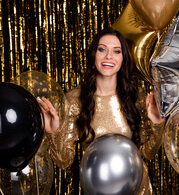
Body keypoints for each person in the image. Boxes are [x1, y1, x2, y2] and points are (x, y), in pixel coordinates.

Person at [37, 27, 165, 195]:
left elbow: (147, 153)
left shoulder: (137, 97)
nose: (108, 56)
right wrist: (54, 132)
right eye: (102, 49)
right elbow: (64, 161)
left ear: (123, 58)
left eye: (116, 51)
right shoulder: (74, 101)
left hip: (138, 189)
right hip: (97, 189)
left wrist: (157, 125)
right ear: (94, 55)